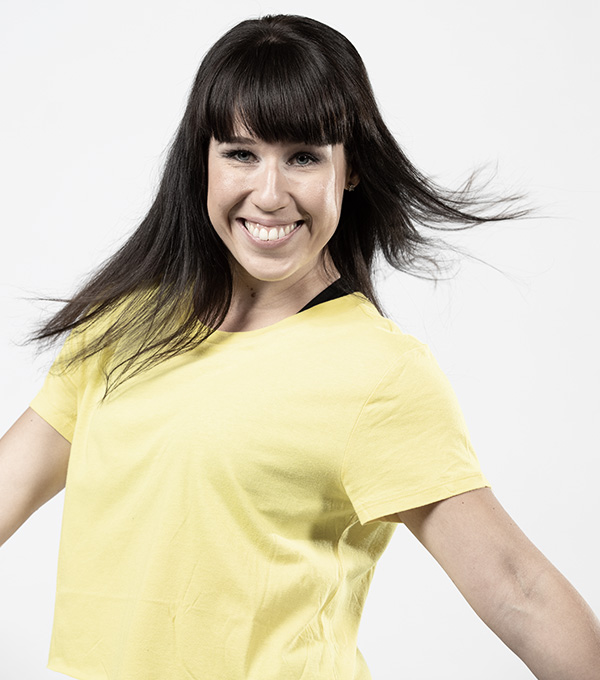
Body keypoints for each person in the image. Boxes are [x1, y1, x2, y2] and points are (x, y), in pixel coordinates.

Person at [0, 13, 598, 680]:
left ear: (350, 169)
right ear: (202, 161)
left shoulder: (380, 373)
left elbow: (519, 591)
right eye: (241, 154)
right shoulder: (122, 328)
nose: (269, 194)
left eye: (304, 157)